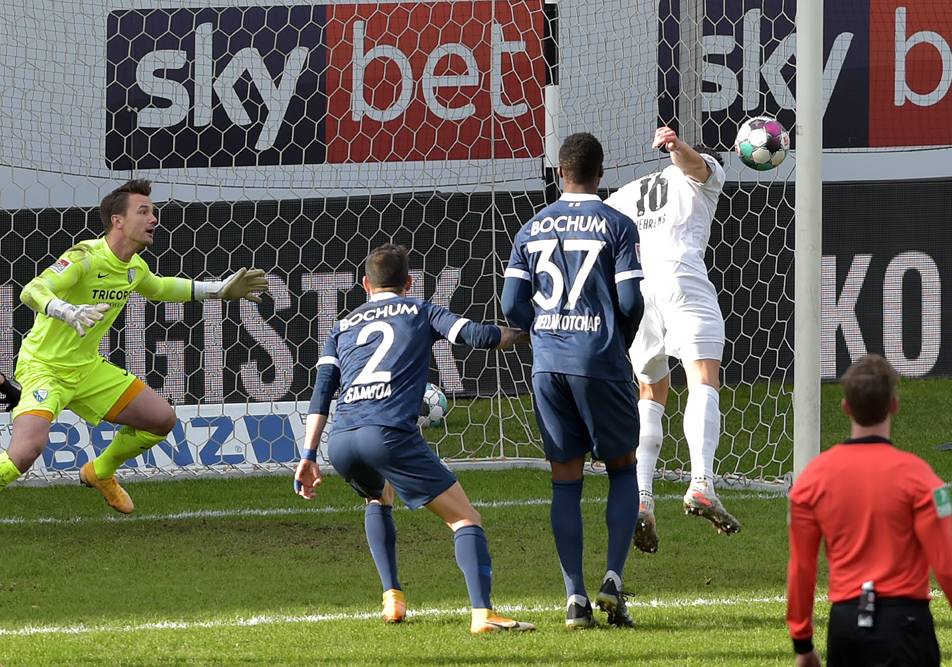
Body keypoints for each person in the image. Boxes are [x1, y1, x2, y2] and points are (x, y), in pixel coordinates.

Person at [293, 243, 534, 635]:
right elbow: (474, 335)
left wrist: (308, 454)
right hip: (387, 434)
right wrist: (524, 334)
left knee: (378, 495)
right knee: (465, 518)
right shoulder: (421, 310)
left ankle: (393, 598)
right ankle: (483, 614)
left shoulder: (342, 326)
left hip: (342, 441)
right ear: (409, 282)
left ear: (365, 284)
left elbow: (322, 392)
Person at [0, 179, 268, 512]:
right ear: (117, 221)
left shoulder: (134, 268)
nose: (154, 219)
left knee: (161, 419)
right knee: (25, 453)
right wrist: (65, 310)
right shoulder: (85, 257)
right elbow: (32, 290)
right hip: (44, 369)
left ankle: (100, 471)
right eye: (144, 212)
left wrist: (219, 290)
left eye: (153, 212)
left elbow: (161, 287)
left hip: (87, 369)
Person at [501, 132, 644, 629]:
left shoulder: (531, 228)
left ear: (560, 173)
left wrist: (541, 332)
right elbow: (630, 304)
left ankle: (575, 600)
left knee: (566, 478)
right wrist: (615, 341)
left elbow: (510, 306)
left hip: (548, 364)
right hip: (599, 360)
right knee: (623, 469)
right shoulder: (618, 225)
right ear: (602, 174)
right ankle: (613, 580)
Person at [787, 354, 952, 667]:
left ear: (846, 408)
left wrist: (802, 644)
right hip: (906, 626)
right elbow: (947, 565)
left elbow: (802, 567)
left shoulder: (810, 482)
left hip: (845, 628)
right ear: (894, 406)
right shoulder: (923, 480)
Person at [604, 126, 740, 552]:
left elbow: (601, 227)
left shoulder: (625, 194)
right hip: (682, 275)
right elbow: (694, 167)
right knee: (702, 376)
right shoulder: (703, 171)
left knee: (651, 389)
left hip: (636, 287)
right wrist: (680, 149)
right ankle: (702, 481)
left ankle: (642, 498)